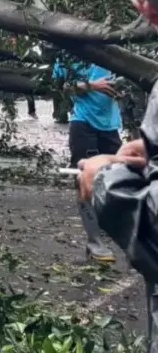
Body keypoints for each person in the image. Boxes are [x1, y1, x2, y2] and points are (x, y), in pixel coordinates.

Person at [80, 0, 158, 278]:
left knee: (90, 173)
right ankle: (92, 240)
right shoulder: (74, 49)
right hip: (83, 120)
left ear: (143, 8)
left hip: (107, 121)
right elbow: (60, 82)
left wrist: (105, 182)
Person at [52, 59, 121, 262]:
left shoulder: (112, 53)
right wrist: (92, 85)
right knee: (86, 181)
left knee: (118, 181)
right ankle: (94, 241)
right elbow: (61, 89)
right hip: (83, 124)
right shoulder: (68, 55)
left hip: (111, 124)